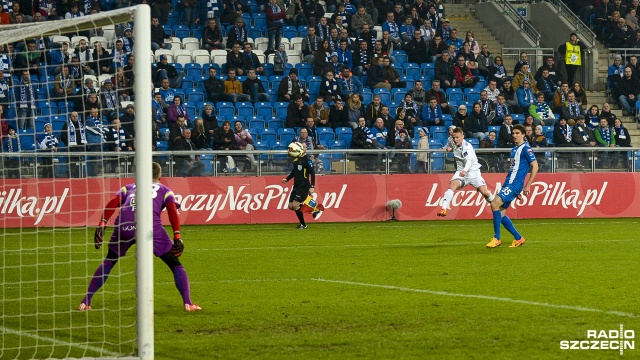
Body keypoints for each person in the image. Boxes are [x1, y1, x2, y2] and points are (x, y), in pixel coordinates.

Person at [78, 162, 201, 312]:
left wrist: (102, 223)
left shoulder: (129, 187)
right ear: (159, 176)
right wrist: (177, 236)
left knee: (109, 261)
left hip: (124, 225)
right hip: (150, 227)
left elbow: (113, 202)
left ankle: (85, 302)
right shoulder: (165, 190)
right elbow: (172, 210)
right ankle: (188, 303)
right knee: (175, 264)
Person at [486, 124, 538, 248]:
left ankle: (496, 238)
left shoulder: (526, 148)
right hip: (509, 184)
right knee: (501, 212)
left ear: (523, 135)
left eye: (517, 133)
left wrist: (527, 185)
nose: (514, 136)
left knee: (494, 204)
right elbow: (514, 169)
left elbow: (535, 166)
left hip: (515, 184)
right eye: (513, 133)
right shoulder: (514, 149)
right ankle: (518, 238)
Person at [437, 127, 495, 217]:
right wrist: (449, 149)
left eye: (457, 138)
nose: (455, 140)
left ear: (462, 136)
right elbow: (452, 146)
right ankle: (443, 208)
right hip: (460, 171)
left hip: (473, 172)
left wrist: (465, 170)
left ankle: (496, 205)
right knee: (452, 186)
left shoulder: (467, 148)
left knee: (485, 192)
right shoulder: (453, 142)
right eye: (454, 137)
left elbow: (469, 161)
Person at [281, 144, 317, 229]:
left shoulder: (307, 160)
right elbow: (295, 171)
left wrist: (312, 186)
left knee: (296, 204)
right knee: (291, 206)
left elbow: (312, 173)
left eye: (305, 147)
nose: (304, 148)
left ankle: (303, 224)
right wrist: (287, 179)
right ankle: (313, 209)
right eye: (302, 147)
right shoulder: (296, 159)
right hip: (296, 185)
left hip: (303, 185)